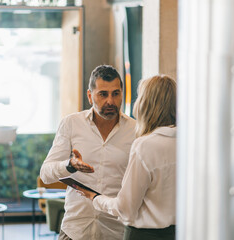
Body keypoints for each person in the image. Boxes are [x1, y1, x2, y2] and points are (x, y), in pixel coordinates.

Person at [40, 65, 136, 240]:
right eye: (103, 94)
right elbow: (45, 174)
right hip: (76, 228)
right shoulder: (71, 124)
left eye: (116, 93)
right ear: (90, 96)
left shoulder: (135, 130)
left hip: (116, 231)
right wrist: (69, 165)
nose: (110, 101)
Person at [79, 75, 177, 240]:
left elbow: (125, 209)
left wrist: (96, 198)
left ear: (146, 105)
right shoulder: (192, 144)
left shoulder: (145, 146)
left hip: (145, 235)